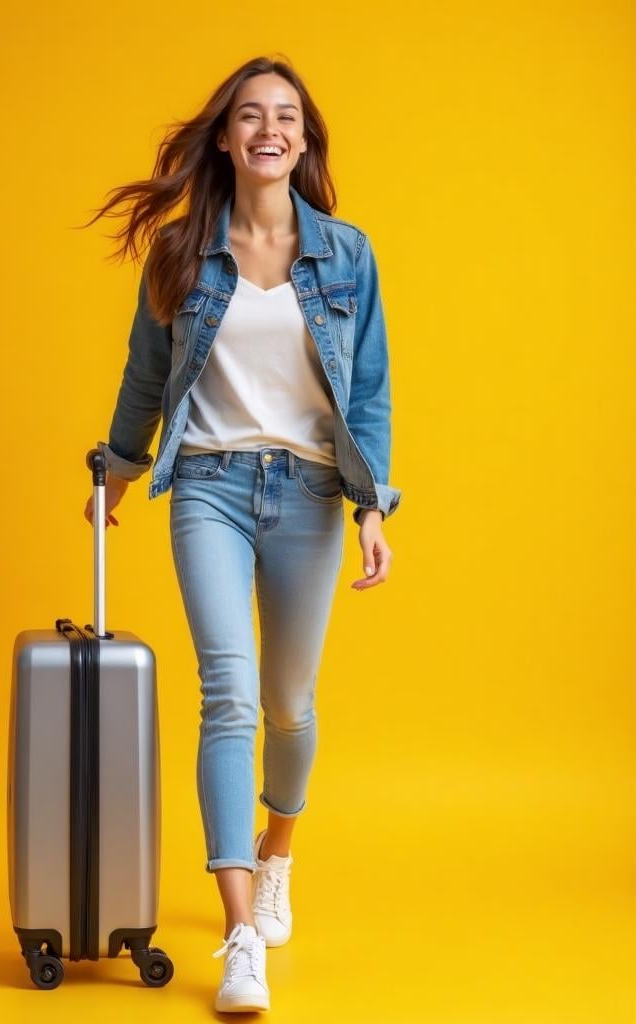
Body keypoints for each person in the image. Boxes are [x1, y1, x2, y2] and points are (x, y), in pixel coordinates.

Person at [82, 55, 402, 1013]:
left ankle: (276, 855)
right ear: (226, 136)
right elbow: (148, 373)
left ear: (303, 141)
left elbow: (372, 391)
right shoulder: (182, 253)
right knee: (228, 691)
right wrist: (121, 468)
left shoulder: (347, 254)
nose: (270, 130)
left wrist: (372, 505)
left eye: (287, 118)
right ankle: (237, 939)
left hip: (308, 494)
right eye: (251, 116)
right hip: (209, 489)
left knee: (289, 706)